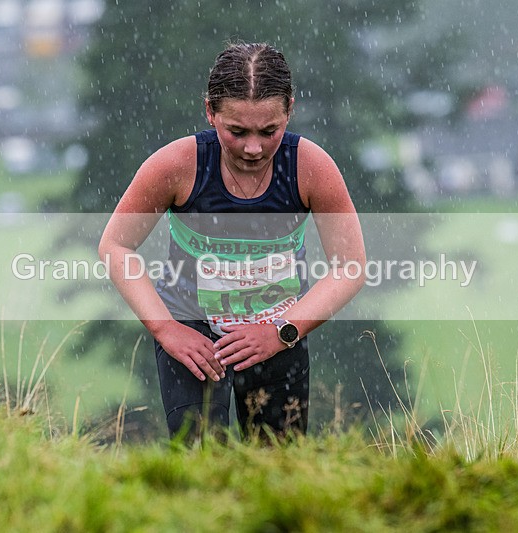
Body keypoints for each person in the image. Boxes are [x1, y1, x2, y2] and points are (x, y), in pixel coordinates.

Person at [99, 42, 365, 442]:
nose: (253, 148)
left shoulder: (311, 167)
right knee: (200, 453)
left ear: (289, 110)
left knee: (279, 466)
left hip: (279, 332)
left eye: (269, 131)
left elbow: (351, 267)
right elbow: (115, 246)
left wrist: (280, 332)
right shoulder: (176, 165)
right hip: (192, 333)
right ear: (210, 111)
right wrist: (166, 329)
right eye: (236, 131)